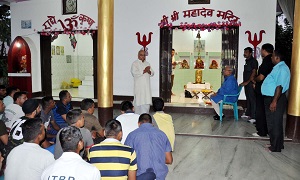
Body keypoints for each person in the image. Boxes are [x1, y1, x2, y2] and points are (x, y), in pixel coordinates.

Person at [125, 113, 173, 180]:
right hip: (159, 177)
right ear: (152, 123)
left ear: (138, 124)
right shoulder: (162, 134)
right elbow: (169, 160)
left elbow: (126, 160)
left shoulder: (132, 135)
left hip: (140, 176)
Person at [261, 50, 290, 152]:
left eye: (273, 56)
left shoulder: (282, 69)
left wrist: (274, 101)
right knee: (273, 122)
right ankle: (276, 143)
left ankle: (275, 147)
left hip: (275, 98)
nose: (271, 58)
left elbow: (279, 86)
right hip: (273, 97)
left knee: (275, 123)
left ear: (277, 58)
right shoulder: (278, 68)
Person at [252, 43, 275, 136]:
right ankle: (267, 130)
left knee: (260, 110)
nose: (261, 51)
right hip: (269, 90)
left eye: (261, 50)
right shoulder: (272, 61)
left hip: (262, 89)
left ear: (264, 50)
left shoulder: (266, 61)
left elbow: (261, 77)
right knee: (266, 112)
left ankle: (261, 131)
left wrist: (255, 80)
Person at [131, 50, 154, 115]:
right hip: (139, 88)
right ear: (138, 55)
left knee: (146, 103)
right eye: (141, 55)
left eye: (144, 55)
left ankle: (145, 117)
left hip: (146, 89)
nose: (143, 56)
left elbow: (152, 73)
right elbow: (134, 73)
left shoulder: (147, 63)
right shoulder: (135, 63)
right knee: (138, 102)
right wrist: (144, 71)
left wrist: (148, 71)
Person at [240, 47, 258, 122]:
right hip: (246, 83)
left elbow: (254, 72)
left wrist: (247, 82)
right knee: (248, 98)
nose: (245, 53)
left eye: (246, 52)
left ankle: (254, 117)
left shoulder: (253, 61)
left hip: (250, 83)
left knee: (252, 99)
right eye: (244, 52)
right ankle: (248, 114)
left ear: (250, 53)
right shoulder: (247, 61)